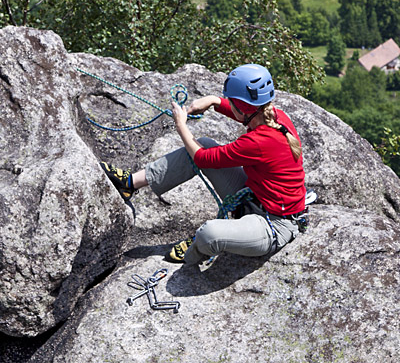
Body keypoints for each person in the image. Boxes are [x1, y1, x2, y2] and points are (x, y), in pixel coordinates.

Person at [101, 64, 309, 265]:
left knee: (209, 234)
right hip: (254, 197)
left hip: (274, 224)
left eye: (231, 101)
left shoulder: (257, 142)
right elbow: (239, 115)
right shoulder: (275, 117)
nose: (230, 103)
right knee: (207, 144)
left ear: (243, 108)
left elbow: (203, 158)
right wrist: (214, 101)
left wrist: (181, 124)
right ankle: (130, 183)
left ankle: (197, 250)